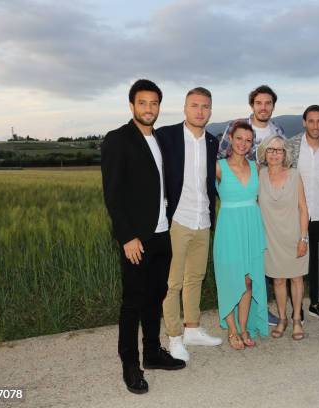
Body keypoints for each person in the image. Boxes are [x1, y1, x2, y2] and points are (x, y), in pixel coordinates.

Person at [101, 79, 185, 395]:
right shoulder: (118, 140)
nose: (149, 108)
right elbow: (113, 193)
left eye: (154, 103)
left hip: (163, 234)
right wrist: (126, 236)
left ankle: (152, 353)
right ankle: (130, 364)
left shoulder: (160, 140)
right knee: (132, 303)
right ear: (132, 105)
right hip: (137, 239)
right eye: (143, 102)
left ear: (159, 107)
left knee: (155, 297)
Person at [156, 87, 222, 362]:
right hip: (177, 220)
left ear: (210, 110)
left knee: (195, 277)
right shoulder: (166, 136)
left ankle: (192, 328)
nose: (200, 111)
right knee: (172, 283)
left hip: (203, 219)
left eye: (205, 106)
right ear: (185, 108)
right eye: (194, 105)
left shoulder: (213, 142)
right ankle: (174, 338)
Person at [213, 121, 268, 350]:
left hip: (252, 228)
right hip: (228, 229)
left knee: (248, 280)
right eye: (239, 138)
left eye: (248, 140)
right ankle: (232, 330)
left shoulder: (256, 167)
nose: (243, 144)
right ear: (231, 139)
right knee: (229, 279)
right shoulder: (218, 167)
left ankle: (244, 327)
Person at [285, 105, 319, 323]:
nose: (315, 125)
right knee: (294, 263)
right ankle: (295, 309)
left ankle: (315, 304)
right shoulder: (291, 146)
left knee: (318, 262)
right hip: (295, 215)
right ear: (304, 122)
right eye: (311, 121)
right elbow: (270, 165)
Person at [258, 136, 309, 340]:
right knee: (278, 280)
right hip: (270, 238)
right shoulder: (259, 174)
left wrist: (303, 239)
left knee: (296, 279)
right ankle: (282, 318)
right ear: (264, 152)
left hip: (295, 236)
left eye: (279, 150)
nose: (275, 154)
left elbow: (303, 208)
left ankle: (297, 319)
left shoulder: (295, 175)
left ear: (285, 154)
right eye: (270, 150)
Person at [217, 85, 285, 162]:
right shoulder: (235, 126)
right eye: (258, 103)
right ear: (252, 106)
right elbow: (220, 156)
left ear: (273, 106)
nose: (263, 108)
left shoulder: (278, 130)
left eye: (268, 103)